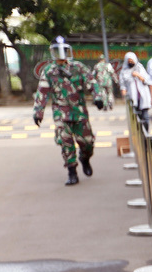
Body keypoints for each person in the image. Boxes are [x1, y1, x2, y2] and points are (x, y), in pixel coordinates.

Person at [32, 36, 103, 186]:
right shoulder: (49, 71)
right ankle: (72, 171)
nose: (61, 54)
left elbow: (92, 82)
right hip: (61, 113)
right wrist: (38, 112)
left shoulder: (78, 67)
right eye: (57, 51)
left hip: (80, 112)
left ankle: (85, 158)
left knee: (88, 142)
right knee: (66, 142)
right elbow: (42, 92)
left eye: (63, 50)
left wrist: (98, 97)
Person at [119, 52, 152, 130]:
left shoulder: (140, 68)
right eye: (129, 61)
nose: (130, 62)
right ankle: (140, 135)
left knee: (145, 118)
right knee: (136, 119)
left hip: (143, 97)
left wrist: (138, 76)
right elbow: (123, 85)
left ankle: (146, 133)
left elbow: (148, 81)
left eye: (132, 61)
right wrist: (124, 96)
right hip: (132, 99)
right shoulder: (124, 71)